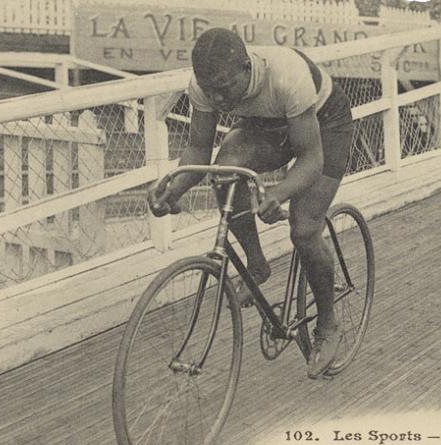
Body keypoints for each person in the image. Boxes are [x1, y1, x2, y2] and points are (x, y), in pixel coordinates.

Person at [147, 28, 354, 379]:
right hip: (269, 124)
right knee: (225, 171)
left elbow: (310, 160)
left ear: (247, 67)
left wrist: (278, 193)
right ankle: (257, 265)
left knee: (304, 229)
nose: (219, 100)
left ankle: (328, 326)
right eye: (210, 91)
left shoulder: (286, 75)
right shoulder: (208, 86)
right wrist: (174, 188)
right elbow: (199, 151)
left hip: (325, 124)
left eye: (225, 89)